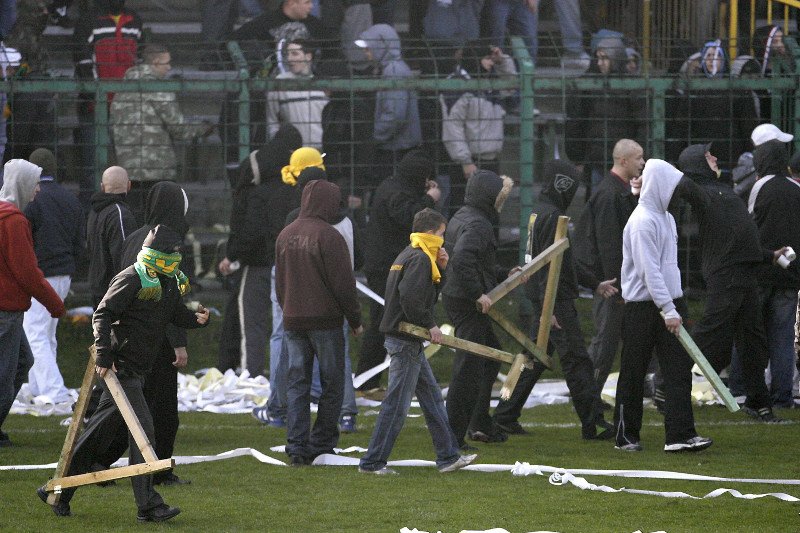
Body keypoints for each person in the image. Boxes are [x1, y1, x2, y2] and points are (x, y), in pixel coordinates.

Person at [37, 224, 209, 521]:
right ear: (160, 253)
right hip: (121, 369)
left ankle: (56, 491)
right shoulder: (132, 277)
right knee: (143, 431)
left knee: (94, 435)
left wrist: (196, 319)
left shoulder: (167, 281)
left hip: (139, 370)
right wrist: (103, 353)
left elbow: (172, 313)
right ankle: (149, 506)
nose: (178, 257)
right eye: (175, 252)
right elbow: (102, 313)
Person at [493, 160, 615, 440]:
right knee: (576, 361)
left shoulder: (542, 212)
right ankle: (592, 422)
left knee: (529, 359)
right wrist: (546, 308)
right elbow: (546, 267)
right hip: (553, 302)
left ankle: (504, 413)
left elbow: (559, 261)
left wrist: (594, 284)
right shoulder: (552, 217)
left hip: (548, 301)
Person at [359, 207, 477, 474]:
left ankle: (448, 457)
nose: (443, 241)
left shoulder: (409, 254)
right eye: (441, 234)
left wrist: (442, 269)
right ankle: (372, 462)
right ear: (431, 233)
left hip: (405, 340)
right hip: (405, 340)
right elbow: (411, 299)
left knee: (433, 398)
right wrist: (431, 325)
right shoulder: (420, 259)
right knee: (397, 405)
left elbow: (419, 293)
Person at [677, 143, 786, 423]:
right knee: (710, 333)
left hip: (743, 272)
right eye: (707, 155)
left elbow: (740, 239)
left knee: (752, 341)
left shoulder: (722, 191)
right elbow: (679, 183)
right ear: (696, 164)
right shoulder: (700, 191)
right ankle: (667, 382)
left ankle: (758, 402)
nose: (714, 157)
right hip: (727, 274)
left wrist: (768, 256)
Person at [613, 158, 713, 453]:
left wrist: (673, 305)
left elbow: (665, 269)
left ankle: (680, 435)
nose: (676, 195)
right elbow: (649, 271)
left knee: (678, 370)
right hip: (643, 309)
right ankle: (626, 435)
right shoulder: (642, 222)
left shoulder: (665, 218)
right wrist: (668, 309)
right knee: (633, 372)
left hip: (669, 303)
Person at [274, 179, 363, 466]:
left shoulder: (285, 235)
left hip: (293, 320)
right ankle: (322, 442)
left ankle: (296, 445)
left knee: (297, 383)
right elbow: (344, 285)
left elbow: (280, 284)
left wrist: (287, 308)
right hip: (325, 321)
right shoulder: (329, 236)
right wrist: (355, 319)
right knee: (332, 383)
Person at [218, 125, 303, 377]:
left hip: (257, 263)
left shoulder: (255, 191)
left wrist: (232, 255)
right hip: (291, 264)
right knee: (288, 325)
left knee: (252, 324)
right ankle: (289, 374)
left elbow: (248, 230)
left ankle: (251, 373)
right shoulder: (296, 192)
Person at [357, 150, 440, 396]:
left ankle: (374, 379)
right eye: (425, 178)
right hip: (386, 267)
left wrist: (424, 194)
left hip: (389, 265)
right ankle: (366, 380)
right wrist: (430, 199)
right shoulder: (396, 194)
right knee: (384, 321)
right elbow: (410, 218)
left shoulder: (393, 187)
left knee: (388, 320)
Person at [442, 169, 515, 447]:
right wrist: (477, 294)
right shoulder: (479, 224)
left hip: (456, 297)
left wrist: (502, 273)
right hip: (466, 301)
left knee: (489, 359)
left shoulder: (463, 215)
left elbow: (474, 261)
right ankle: (453, 435)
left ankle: (479, 423)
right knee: (469, 367)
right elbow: (462, 260)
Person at [0, 158, 65, 447]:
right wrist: (56, 305)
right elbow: (27, 272)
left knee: (21, 362)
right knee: (7, 372)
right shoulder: (14, 221)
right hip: (7, 309)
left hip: (7, 308)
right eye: (36, 183)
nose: (38, 190)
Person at [573, 139, 643, 402]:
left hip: (615, 281)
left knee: (614, 341)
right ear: (623, 161)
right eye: (638, 158)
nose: (642, 162)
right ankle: (586, 396)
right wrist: (619, 286)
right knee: (605, 343)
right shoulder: (610, 194)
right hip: (611, 283)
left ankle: (589, 395)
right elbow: (609, 244)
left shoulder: (616, 191)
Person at [110, 44, 212, 223]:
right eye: (167, 62)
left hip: (129, 168)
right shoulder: (158, 87)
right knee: (160, 223)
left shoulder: (123, 87)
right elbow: (178, 128)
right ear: (155, 63)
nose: (169, 67)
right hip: (156, 168)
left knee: (135, 221)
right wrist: (204, 128)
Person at [22, 148, 83, 404]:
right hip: (63, 273)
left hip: (41, 272)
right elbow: (79, 240)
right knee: (47, 333)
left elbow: (27, 238)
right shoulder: (71, 199)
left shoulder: (32, 199)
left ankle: (54, 391)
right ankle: (38, 386)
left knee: (35, 332)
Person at [72, 0, 143, 207]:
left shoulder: (135, 21)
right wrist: (98, 98)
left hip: (128, 109)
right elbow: (83, 62)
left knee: (129, 164)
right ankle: (89, 216)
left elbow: (138, 62)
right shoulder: (87, 21)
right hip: (94, 108)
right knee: (92, 167)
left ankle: (126, 214)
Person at [748, 139, 800, 409]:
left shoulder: (760, 186)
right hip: (790, 273)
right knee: (783, 337)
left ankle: (744, 389)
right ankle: (783, 395)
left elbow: (748, 222)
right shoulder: (796, 188)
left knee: (750, 332)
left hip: (761, 269)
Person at [440, 44, 516, 208]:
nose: (491, 64)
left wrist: (502, 61)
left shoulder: (491, 82)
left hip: (491, 159)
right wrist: (465, 161)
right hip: (469, 163)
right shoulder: (457, 84)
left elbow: (511, 85)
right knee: (465, 213)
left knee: (491, 213)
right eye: (487, 59)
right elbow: (453, 127)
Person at [355, 24, 422, 182]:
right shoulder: (392, 69)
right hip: (398, 145)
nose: (366, 53)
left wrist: (374, 138)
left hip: (396, 149)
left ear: (381, 46)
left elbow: (395, 115)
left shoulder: (393, 72)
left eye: (369, 48)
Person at [86, 166, 137, 307]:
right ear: (129, 185)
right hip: (115, 293)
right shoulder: (119, 214)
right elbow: (125, 256)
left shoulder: (94, 212)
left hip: (97, 289)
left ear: (102, 187)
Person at [267, 38, 328, 149]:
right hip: (293, 153)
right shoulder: (280, 83)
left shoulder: (323, 84)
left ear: (308, 56)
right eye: (288, 54)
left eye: (295, 54)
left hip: (321, 151)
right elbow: (272, 121)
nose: (290, 59)